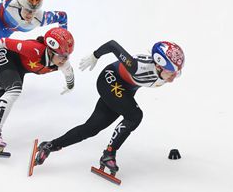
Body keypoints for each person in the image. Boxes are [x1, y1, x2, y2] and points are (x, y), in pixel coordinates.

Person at [33, 40, 185, 174]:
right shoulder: (137, 66)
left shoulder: (164, 72)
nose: (173, 78)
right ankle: (109, 154)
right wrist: (95, 55)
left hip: (124, 90)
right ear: (158, 64)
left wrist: (173, 71)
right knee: (135, 115)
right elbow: (113, 45)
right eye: (171, 73)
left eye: (177, 73)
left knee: (91, 128)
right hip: (109, 79)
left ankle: (50, 145)